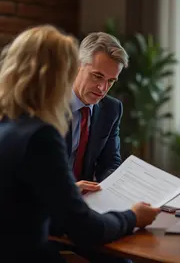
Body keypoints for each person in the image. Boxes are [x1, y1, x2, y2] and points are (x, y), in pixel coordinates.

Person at [0, 25, 159, 262]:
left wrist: (69, 191)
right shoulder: (41, 134)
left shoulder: (8, 123)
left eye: (111, 81)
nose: (103, 87)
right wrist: (133, 217)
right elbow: (85, 228)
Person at [68, 32, 128, 194]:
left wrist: (114, 188)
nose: (102, 88)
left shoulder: (111, 109)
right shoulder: (49, 104)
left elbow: (110, 163)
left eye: (110, 81)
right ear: (78, 66)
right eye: (97, 76)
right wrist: (66, 191)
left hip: (86, 200)